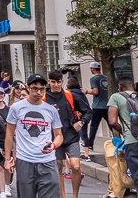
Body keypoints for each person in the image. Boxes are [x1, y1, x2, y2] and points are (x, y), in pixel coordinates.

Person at [4, 74, 64, 198]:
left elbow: (59, 135)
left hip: (47, 162)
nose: (38, 92)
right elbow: (9, 133)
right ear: (27, 87)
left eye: (42, 89)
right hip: (25, 160)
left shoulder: (50, 110)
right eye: (34, 88)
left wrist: (53, 145)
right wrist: (7, 159)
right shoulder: (16, 108)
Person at [44, 70, 92, 198]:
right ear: (49, 81)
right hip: (53, 139)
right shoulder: (44, 98)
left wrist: (80, 123)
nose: (56, 84)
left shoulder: (69, 95)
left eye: (58, 82)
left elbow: (87, 111)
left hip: (71, 136)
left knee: (76, 166)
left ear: (62, 82)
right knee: (58, 167)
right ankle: (63, 196)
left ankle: (74, 196)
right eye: (53, 82)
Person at [108, 75, 138, 198]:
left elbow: (112, 121)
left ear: (120, 86)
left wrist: (125, 131)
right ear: (134, 87)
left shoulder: (116, 97)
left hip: (134, 143)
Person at [81, 62, 110, 161]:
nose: (90, 70)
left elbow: (95, 91)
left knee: (93, 126)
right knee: (111, 124)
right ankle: (118, 140)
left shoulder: (94, 79)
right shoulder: (106, 77)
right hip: (107, 105)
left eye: (91, 68)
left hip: (98, 105)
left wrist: (86, 91)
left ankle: (90, 144)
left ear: (93, 69)